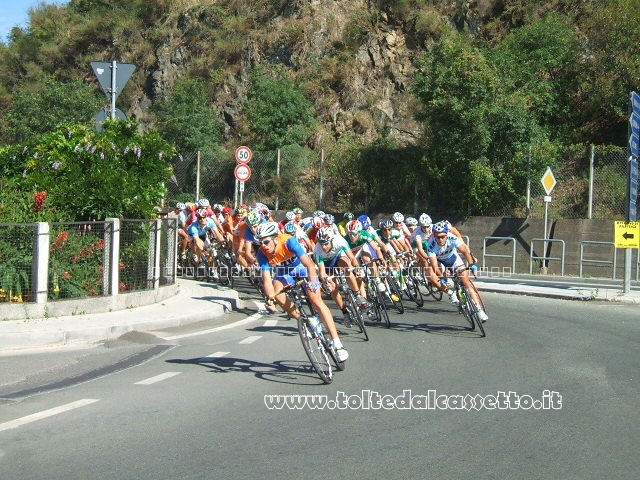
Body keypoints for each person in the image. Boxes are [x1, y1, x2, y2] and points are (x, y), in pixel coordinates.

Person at [255, 222, 349, 361]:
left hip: (302, 267)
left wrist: (314, 281)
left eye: (266, 242)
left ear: (275, 239)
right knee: (277, 294)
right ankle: (304, 320)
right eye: (260, 243)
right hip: (284, 273)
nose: (263, 246)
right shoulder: (262, 254)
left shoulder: (288, 241)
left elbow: (309, 264)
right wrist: (270, 297)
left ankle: (337, 343)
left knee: (316, 301)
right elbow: (267, 279)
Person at [425, 221, 488, 322]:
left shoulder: (452, 237)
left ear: (447, 234)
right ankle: (452, 293)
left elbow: (464, 251)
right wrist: (442, 277)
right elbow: (434, 265)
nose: (440, 239)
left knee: (466, 282)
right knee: (439, 275)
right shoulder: (431, 245)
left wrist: (472, 265)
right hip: (440, 262)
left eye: (443, 236)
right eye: (438, 237)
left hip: (453, 258)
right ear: (434, 236)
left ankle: (479, 310)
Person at [313, 226, 369, 322]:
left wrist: (357, 268)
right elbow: (322, 272)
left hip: (338, 256)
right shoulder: (318, 250)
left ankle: (357, 295)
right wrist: (326, 280)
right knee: (333, 288)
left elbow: (352, 257)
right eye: (321, 243)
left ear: (332, 240)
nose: (323, 247)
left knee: (347, 268)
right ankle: (345, 312)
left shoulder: (339, 240)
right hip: (326, 264)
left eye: (326, 244)